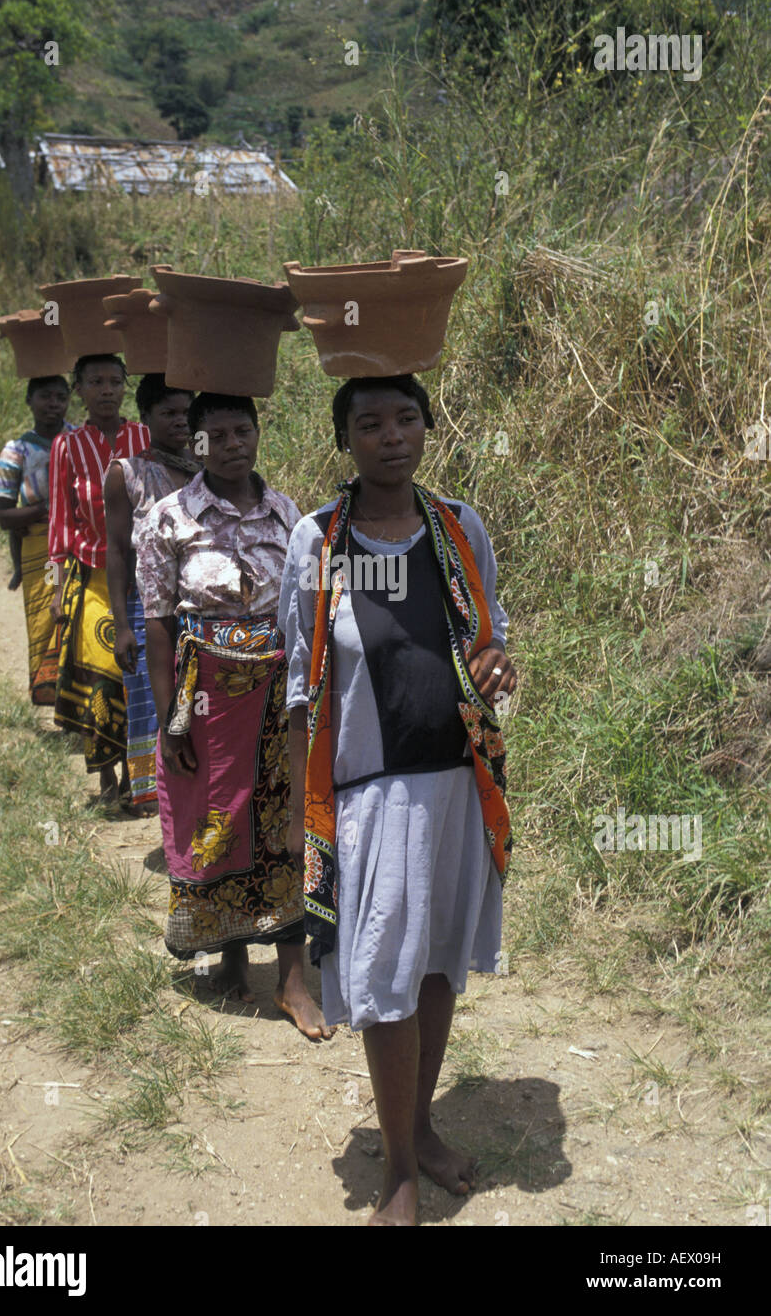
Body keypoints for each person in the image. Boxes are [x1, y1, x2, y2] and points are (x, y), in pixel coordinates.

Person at [278, 374, 516, 1225]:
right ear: (345, 437)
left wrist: (498, 671)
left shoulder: (458, 530)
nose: (391, 436)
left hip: (456, 785)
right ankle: (399, 1175)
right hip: (368, 797)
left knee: (440, 958)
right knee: (383, 972)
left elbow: (489, 645)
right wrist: (308, 819)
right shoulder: (318, 542)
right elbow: (302, 684)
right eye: (370, 423)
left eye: (406, 418)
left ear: (427, 427)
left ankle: (419, 1125)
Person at [138, 391, 331, 1039]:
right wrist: (170, 716)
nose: (230, 444)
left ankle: (293, 981)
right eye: (214, 434)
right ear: (195, 445)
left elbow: (308, 612)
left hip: (278, 695)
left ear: (257, 432)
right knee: (218, 823)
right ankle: (227, 956)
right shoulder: (169, 519)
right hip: (207, 699)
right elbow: (160, 624)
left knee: (282, 827)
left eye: (241, 430)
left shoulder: (287, 515)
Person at [47, 354, 150, 802]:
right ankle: (106, 773)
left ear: (126, 386)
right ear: (80, 391)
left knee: (140, 677)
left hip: (144, 575)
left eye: (114, 381)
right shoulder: (67, 447)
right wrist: (55, 587)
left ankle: (138, 780)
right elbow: (59, 522)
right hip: (92, 576)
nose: (106, 390)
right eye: (95, 382)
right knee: (103, 674)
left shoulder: (145, 436)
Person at [104, 374, 196, 815]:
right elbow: (118, 552)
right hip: (146, 607)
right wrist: (122, 624)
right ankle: (156, 798)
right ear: (145, 419)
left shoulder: (209, 469)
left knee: (194, 701)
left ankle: (194, 792)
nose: (180, 422)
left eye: (186, 412)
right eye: (168, 413)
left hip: (198, 609)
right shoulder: (127, 474)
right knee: (154, 700)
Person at [0, 376, 76, 705]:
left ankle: (78, 697)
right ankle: (51, 695)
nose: (53, 403)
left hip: (78, 543)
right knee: (47, 619)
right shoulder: (16, 450)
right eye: (45, 396)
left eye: (60, 396)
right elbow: (4, 516)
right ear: (29, 400)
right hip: (41, 546)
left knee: (78, 617)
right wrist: (48, 507)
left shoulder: (80, 440)